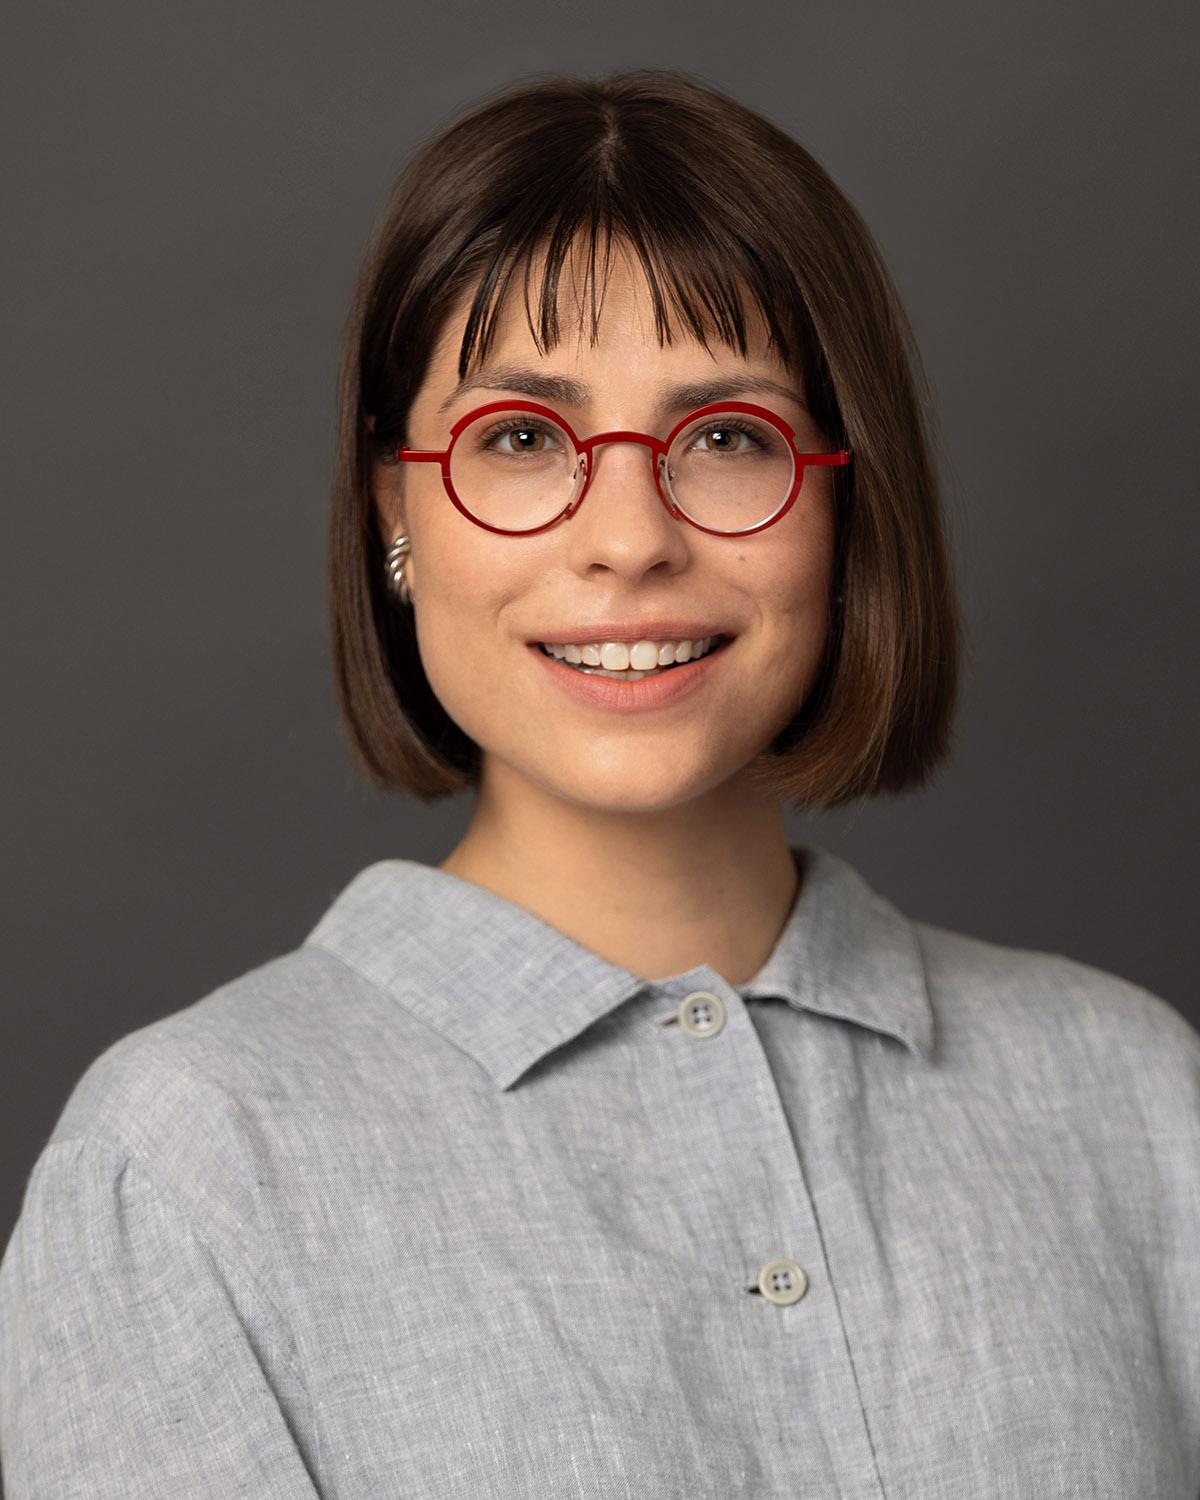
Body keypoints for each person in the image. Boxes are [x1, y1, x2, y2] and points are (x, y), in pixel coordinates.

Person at [2, 67, 1197, 1498]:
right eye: (520, 440)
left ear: (842, 503)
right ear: (396, 511)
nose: (627, 540)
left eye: (727, 438)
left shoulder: (1133, 1100)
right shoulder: (189, 1166)